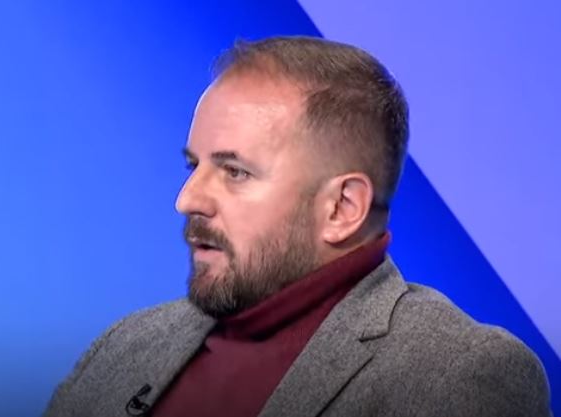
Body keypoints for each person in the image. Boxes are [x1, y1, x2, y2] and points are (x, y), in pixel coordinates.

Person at [43, 36, 552, 417]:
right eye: (193, 166)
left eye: (235, 172)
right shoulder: (128, 343)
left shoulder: (461, 375)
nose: (187, 200)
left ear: (342, 208)